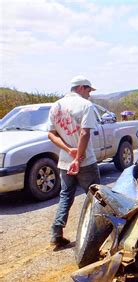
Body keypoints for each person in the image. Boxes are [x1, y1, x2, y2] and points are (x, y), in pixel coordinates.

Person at [47, 75, 100, 248]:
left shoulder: (56, 106)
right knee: (97, 197)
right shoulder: (86, 106)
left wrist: (69, 151)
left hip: (65, 162)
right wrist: (77, 158)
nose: (90, 94)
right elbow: (84, 133)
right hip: (85, 162)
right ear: (81, 88)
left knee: (65, 196)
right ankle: (101, 233)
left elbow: (51, 134)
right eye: (89, 90)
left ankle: (56, 232)